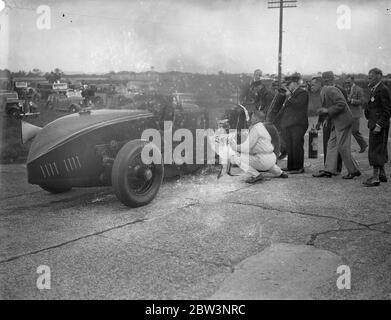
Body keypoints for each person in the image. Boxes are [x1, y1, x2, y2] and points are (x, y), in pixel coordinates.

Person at [311, 76, 361, 179]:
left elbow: (341, 104)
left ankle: (353, 171)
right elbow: (326, 109)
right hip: (337, 123)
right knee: (331, 145)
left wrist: (327, 111)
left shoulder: (331, 90)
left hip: (344, 122)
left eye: (313, 84)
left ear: (320, 84)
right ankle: (328, 170)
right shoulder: (323, 92)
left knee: (342, 147)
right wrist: (320, 122)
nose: (310, 87)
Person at [228, 111, 288, 183]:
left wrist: (234, 147)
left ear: (256, 118)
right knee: (266, 160)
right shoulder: (263, 127)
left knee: (235, 158)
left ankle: (256, 175)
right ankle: (279, 172)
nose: (251, 119)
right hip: (272, 158)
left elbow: (247, 147)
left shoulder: (256, 129)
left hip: (262, 160)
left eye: (252, 117)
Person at [363, 68, 391, 187]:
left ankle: (375, 177)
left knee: (375, 150)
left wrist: (379, 125)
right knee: (380, 148)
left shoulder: (383, 90)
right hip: (374, 124)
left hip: (379, 125)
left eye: (371, 76)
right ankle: (382, 174)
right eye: (368, 76)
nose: (369, 78)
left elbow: (387, 110)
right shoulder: (374, 89)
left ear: (379, 76)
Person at [277, 73, 309, 173]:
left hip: (298, 124)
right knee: (290, 145)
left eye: (289, 84)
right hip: (290, 124)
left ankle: (299, 167)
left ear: (295, 83)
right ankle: (291, 166)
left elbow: (299, 105)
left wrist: (289, 97)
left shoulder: (302, 93)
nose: (288, 86)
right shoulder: (292, 94)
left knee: (297, 145)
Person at [315, 71, 344, 173]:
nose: (327, 81)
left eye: (329, 79)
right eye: (325, 79)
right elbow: (323, 106)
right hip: (326, 122)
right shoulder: (323, 90)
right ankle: (327, 168)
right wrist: (319, 122)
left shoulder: (341, 90)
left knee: (338, 145)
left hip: (338, 122)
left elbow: (343, 107)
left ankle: (337, 168)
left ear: (332, 79)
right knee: (326, 144)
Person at [344, 75, 368, 153]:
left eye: (348, 82)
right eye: (346, 82)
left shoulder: (359, 89)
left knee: (354, 131)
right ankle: (347, 148)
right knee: (346, 131)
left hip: (355, 114)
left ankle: (363, 144)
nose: (347, 83)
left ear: (353, 81)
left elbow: (362, 101)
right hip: (347, 114)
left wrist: (351, 100)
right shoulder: (346, 89)